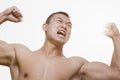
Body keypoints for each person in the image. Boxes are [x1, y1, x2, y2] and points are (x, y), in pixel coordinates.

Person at [0, 6, 120, 80]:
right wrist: (3, 16)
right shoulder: (20, 54)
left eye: (69, 25)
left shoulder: (76, 66)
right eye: (59, 21)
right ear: (45, 27)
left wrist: (116, 37)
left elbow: (116, 75)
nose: (64, 26)